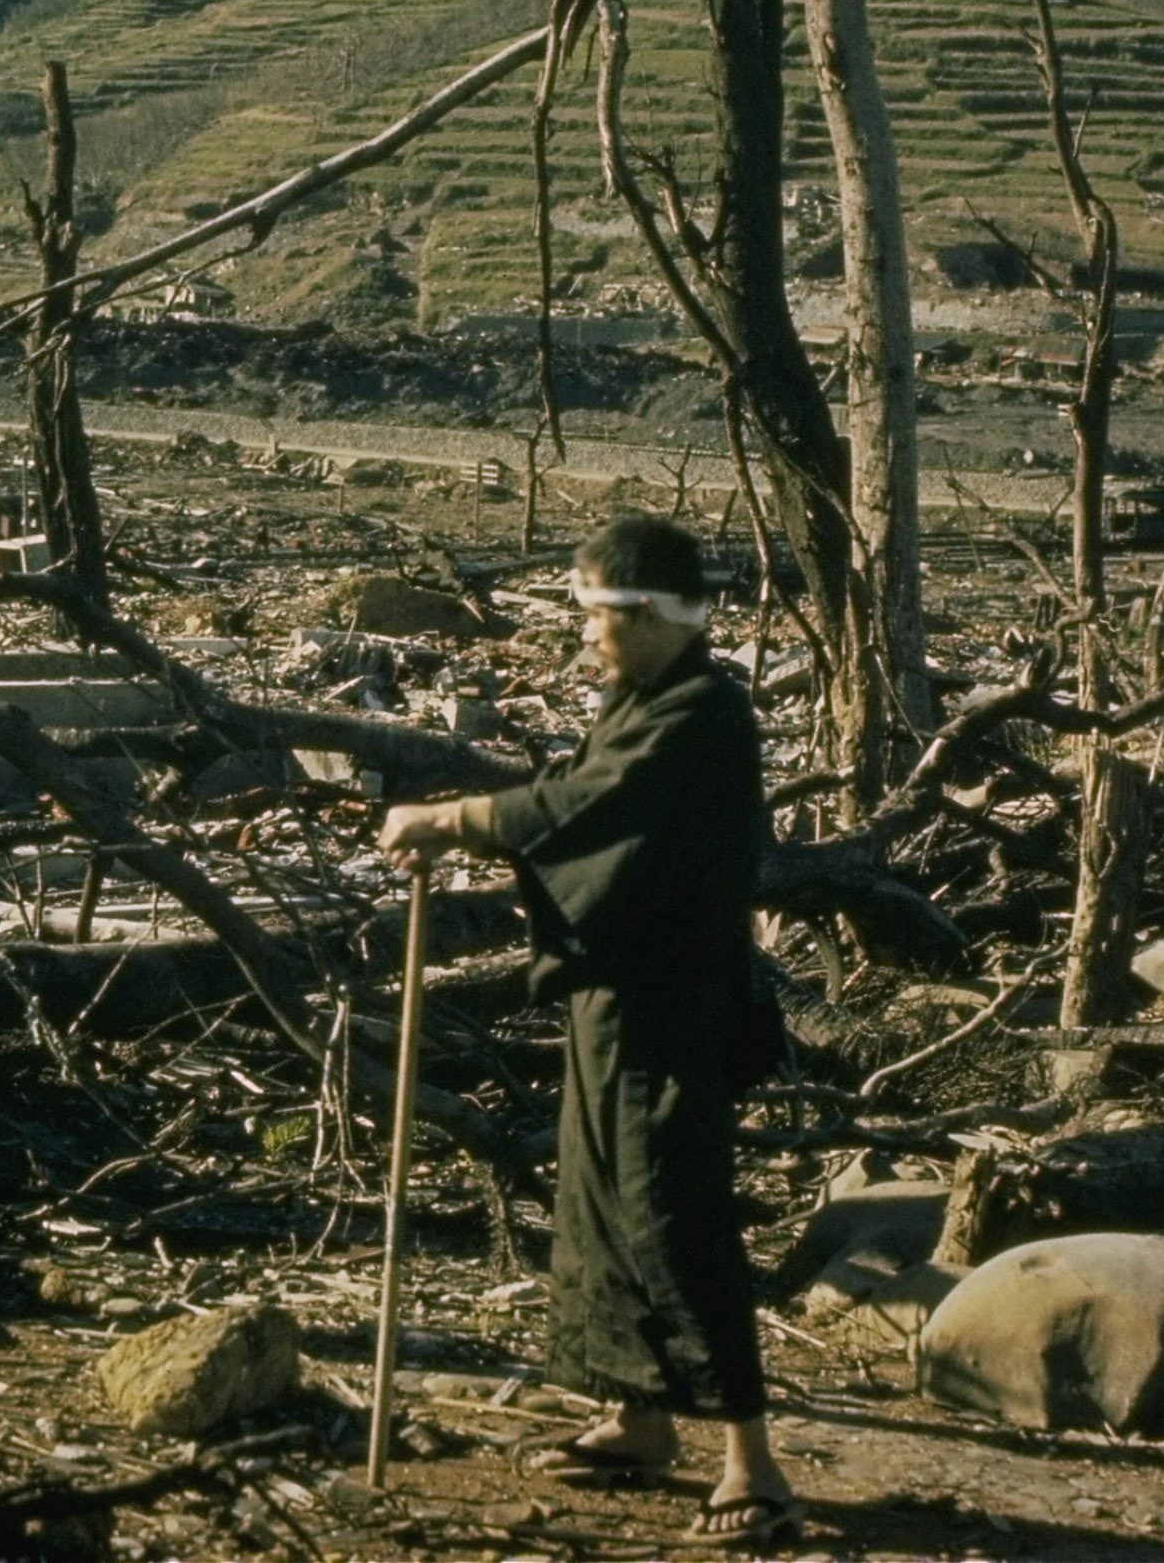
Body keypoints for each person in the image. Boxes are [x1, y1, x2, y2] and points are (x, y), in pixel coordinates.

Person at [380, 513, 800, 1550]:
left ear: (653, 615)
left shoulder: (703, 714)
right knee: (598, 1200)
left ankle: (754, 1461)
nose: (584, 639)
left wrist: (451, 822)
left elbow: (585, 808)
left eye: (596, 620)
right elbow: (579, 819)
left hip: (679, 1003)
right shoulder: (642, 697)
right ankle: (638, 1415)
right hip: (614, 997)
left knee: (670, 1209)